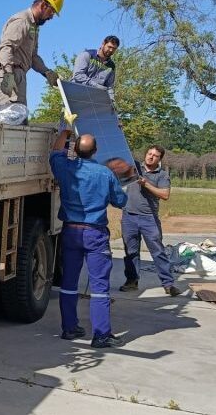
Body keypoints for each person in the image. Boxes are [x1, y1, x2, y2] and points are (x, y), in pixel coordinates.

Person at [50, 126, 128, 348]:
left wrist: (65, 133)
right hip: (95, 233)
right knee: (99, 286)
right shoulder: (105, 174)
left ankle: (69, 328)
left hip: (70, 231)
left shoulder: (65, 168)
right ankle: (101, 334)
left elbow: (55, 154)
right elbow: (120, 202)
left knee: (69, 282)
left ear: (75, 149)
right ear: (96, 151)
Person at [120, 145, 183, 296]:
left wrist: (146, 184)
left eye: (155, 156)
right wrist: (119, 130)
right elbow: (122, 150)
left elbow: (165, 195)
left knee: (158, 251)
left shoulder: (162, 175)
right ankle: (132, 281)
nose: (150, 157)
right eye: (149, 153)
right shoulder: (134, 166)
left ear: (159, 159)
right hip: (129, 216)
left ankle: (168, 284)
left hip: (149, 219)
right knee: (131, 252)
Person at [0, 0, 63, 108]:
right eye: (52, 11)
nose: (51, 17)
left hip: (18, 75)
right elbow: (6, 48)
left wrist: (47, 72)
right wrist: (8, 75)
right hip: (7, 74)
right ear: (44, 5)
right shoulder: (22, 20)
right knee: (8, 120)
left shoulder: (34, 27)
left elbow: (33, 57)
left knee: (20, 120)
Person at [72, 35, 119, 100]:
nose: (111, 50)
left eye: (114, 49)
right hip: (75, 95)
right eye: (109, 47)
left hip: (93, 100)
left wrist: (111, 100)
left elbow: (109, 86)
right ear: (103, 44)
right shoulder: (87, 55)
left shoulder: (111, 66)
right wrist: (96, 86)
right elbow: (77, 75)